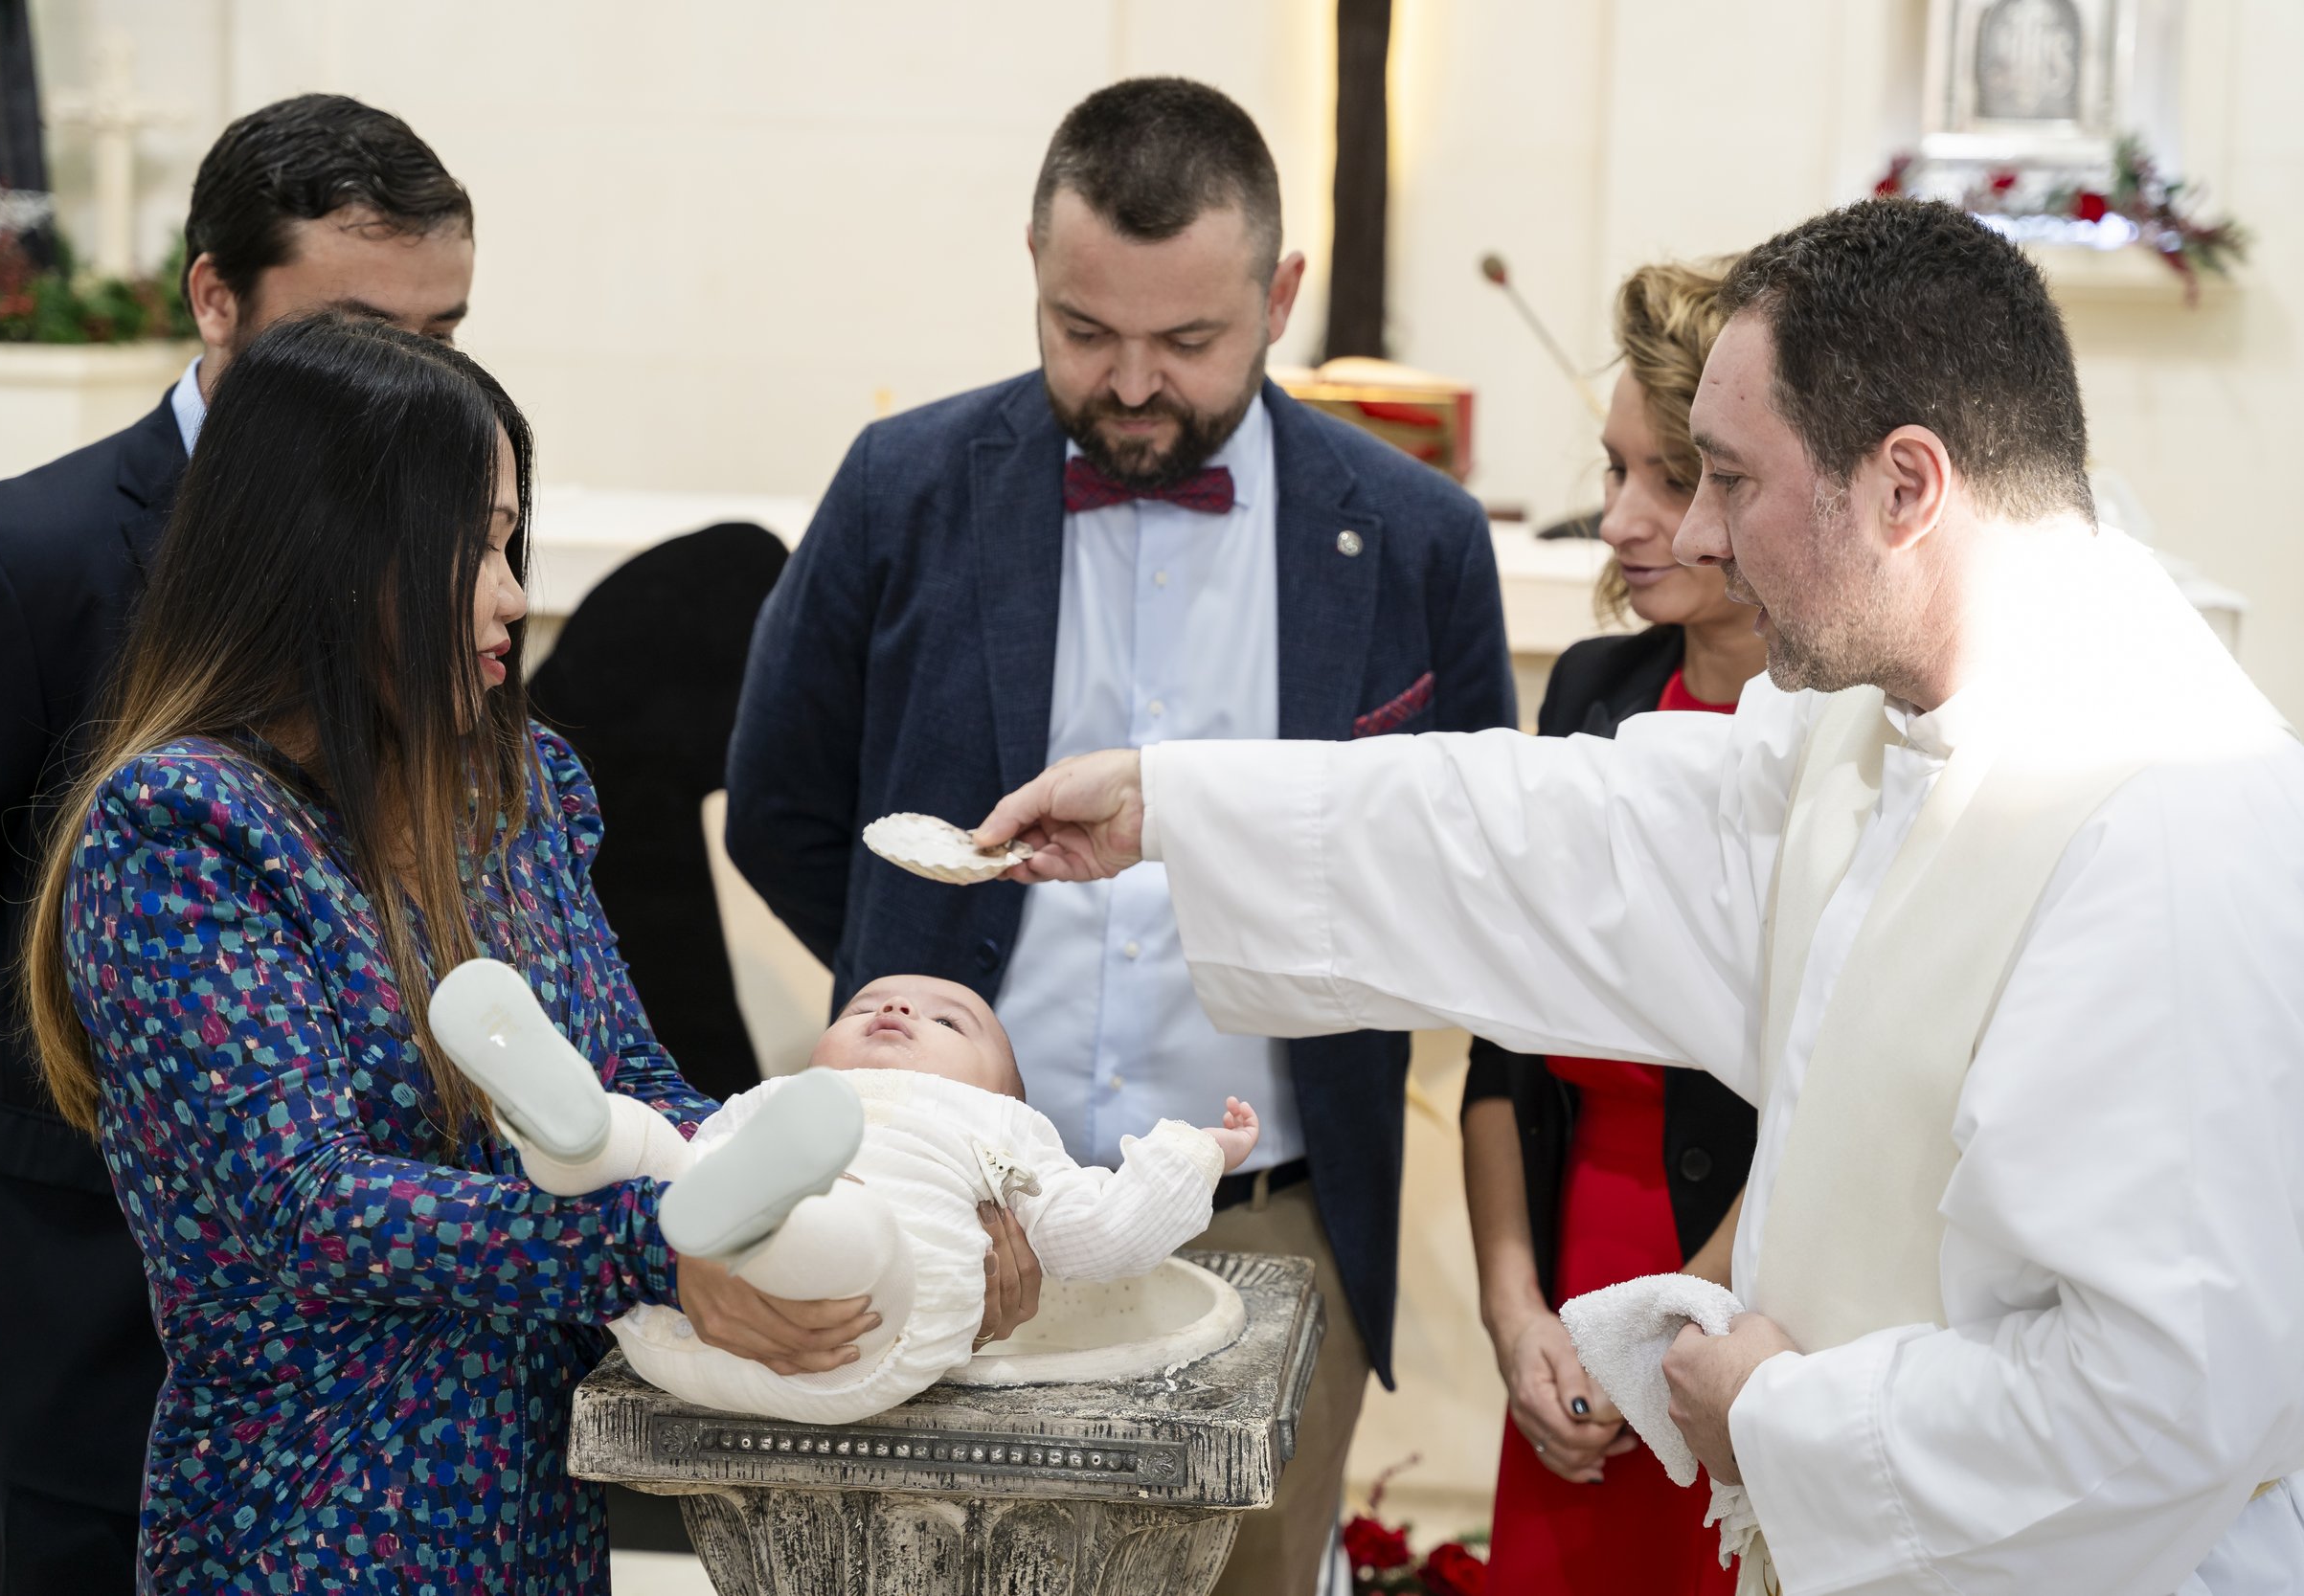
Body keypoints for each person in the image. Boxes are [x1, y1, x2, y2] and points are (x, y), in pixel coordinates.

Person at [973, 198, 2304, 1596]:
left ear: (1906, 487)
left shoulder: (2168, 819)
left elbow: (2159, 1394)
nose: (1700, 537)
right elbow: (1571, 837)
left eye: (1730, 478)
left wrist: (1780, 1422)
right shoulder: (1874, 726)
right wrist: (1182, 805)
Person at [14, 314, 965, 1591]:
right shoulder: (187, 829)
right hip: (306, 1531)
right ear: (329, 552)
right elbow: (311, 1205)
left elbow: (642, 1086)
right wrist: (658, 1240)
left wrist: (899, 1194)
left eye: (511, 537)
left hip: (536, 1523)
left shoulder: (512, 794)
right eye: (472, 544)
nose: (515, 590)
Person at [725, 77, 1512, 1593]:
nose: (1133, 383)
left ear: (1278, 294)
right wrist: (935, 989)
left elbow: (1461, 859)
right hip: (947, 1212)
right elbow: (783, 804)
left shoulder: (1415, 536)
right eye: (1084, 332)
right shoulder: (905, 487)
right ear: (1033, 262)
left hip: (1268, 1214)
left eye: (1189, 342)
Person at [0, 93, 476, 1594]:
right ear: (214, 297)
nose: (403, 378)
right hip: (102, 1325)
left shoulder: (457, 556)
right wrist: (171, 1091)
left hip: (396, 1365)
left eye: (446, 330)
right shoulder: (17, 563)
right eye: (357, 325)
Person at [1460, 259, 1760, 1596]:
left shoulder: (1854, 733)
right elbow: (1501, 1042)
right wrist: (1517, 1311)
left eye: (1676, 477)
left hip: (1747, 1308)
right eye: (1614, 469)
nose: (1625, 519)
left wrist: (1661, 1338)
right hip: (1575, 1289)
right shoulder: (1594, 688)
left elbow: (1852, 1100)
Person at [449, 967, 1259, 1425]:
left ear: (1013, 1094)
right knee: (665, 1158)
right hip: (681, 1306)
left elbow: (1108, 1228)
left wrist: (1191, 1155)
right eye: (865, 1004)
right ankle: (579, 1136)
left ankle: (615, 1164)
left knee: (858, 1233)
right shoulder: (773, 1104)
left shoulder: (1005, 1132)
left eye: (952, 1021)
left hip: (840, 1341)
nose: (899, 1007)